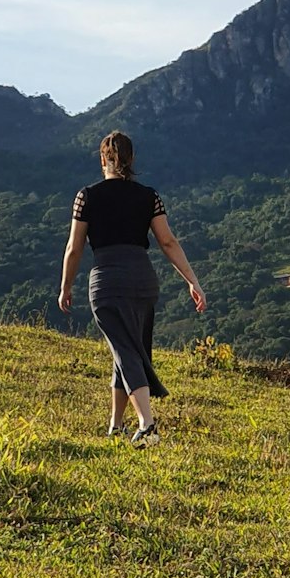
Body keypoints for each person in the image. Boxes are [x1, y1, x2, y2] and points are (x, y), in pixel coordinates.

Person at [58, 130, 207, 446]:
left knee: (125, 349)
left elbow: (74, 247)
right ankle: (115, 426)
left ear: (103, 160)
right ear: (131, 160)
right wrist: (192, 280)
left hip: (108, 281)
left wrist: (66, 286)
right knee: (125, 349)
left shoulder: (87, 196)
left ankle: (146, 425)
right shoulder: (148, 195)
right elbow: (167, 241)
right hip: (143, 279)